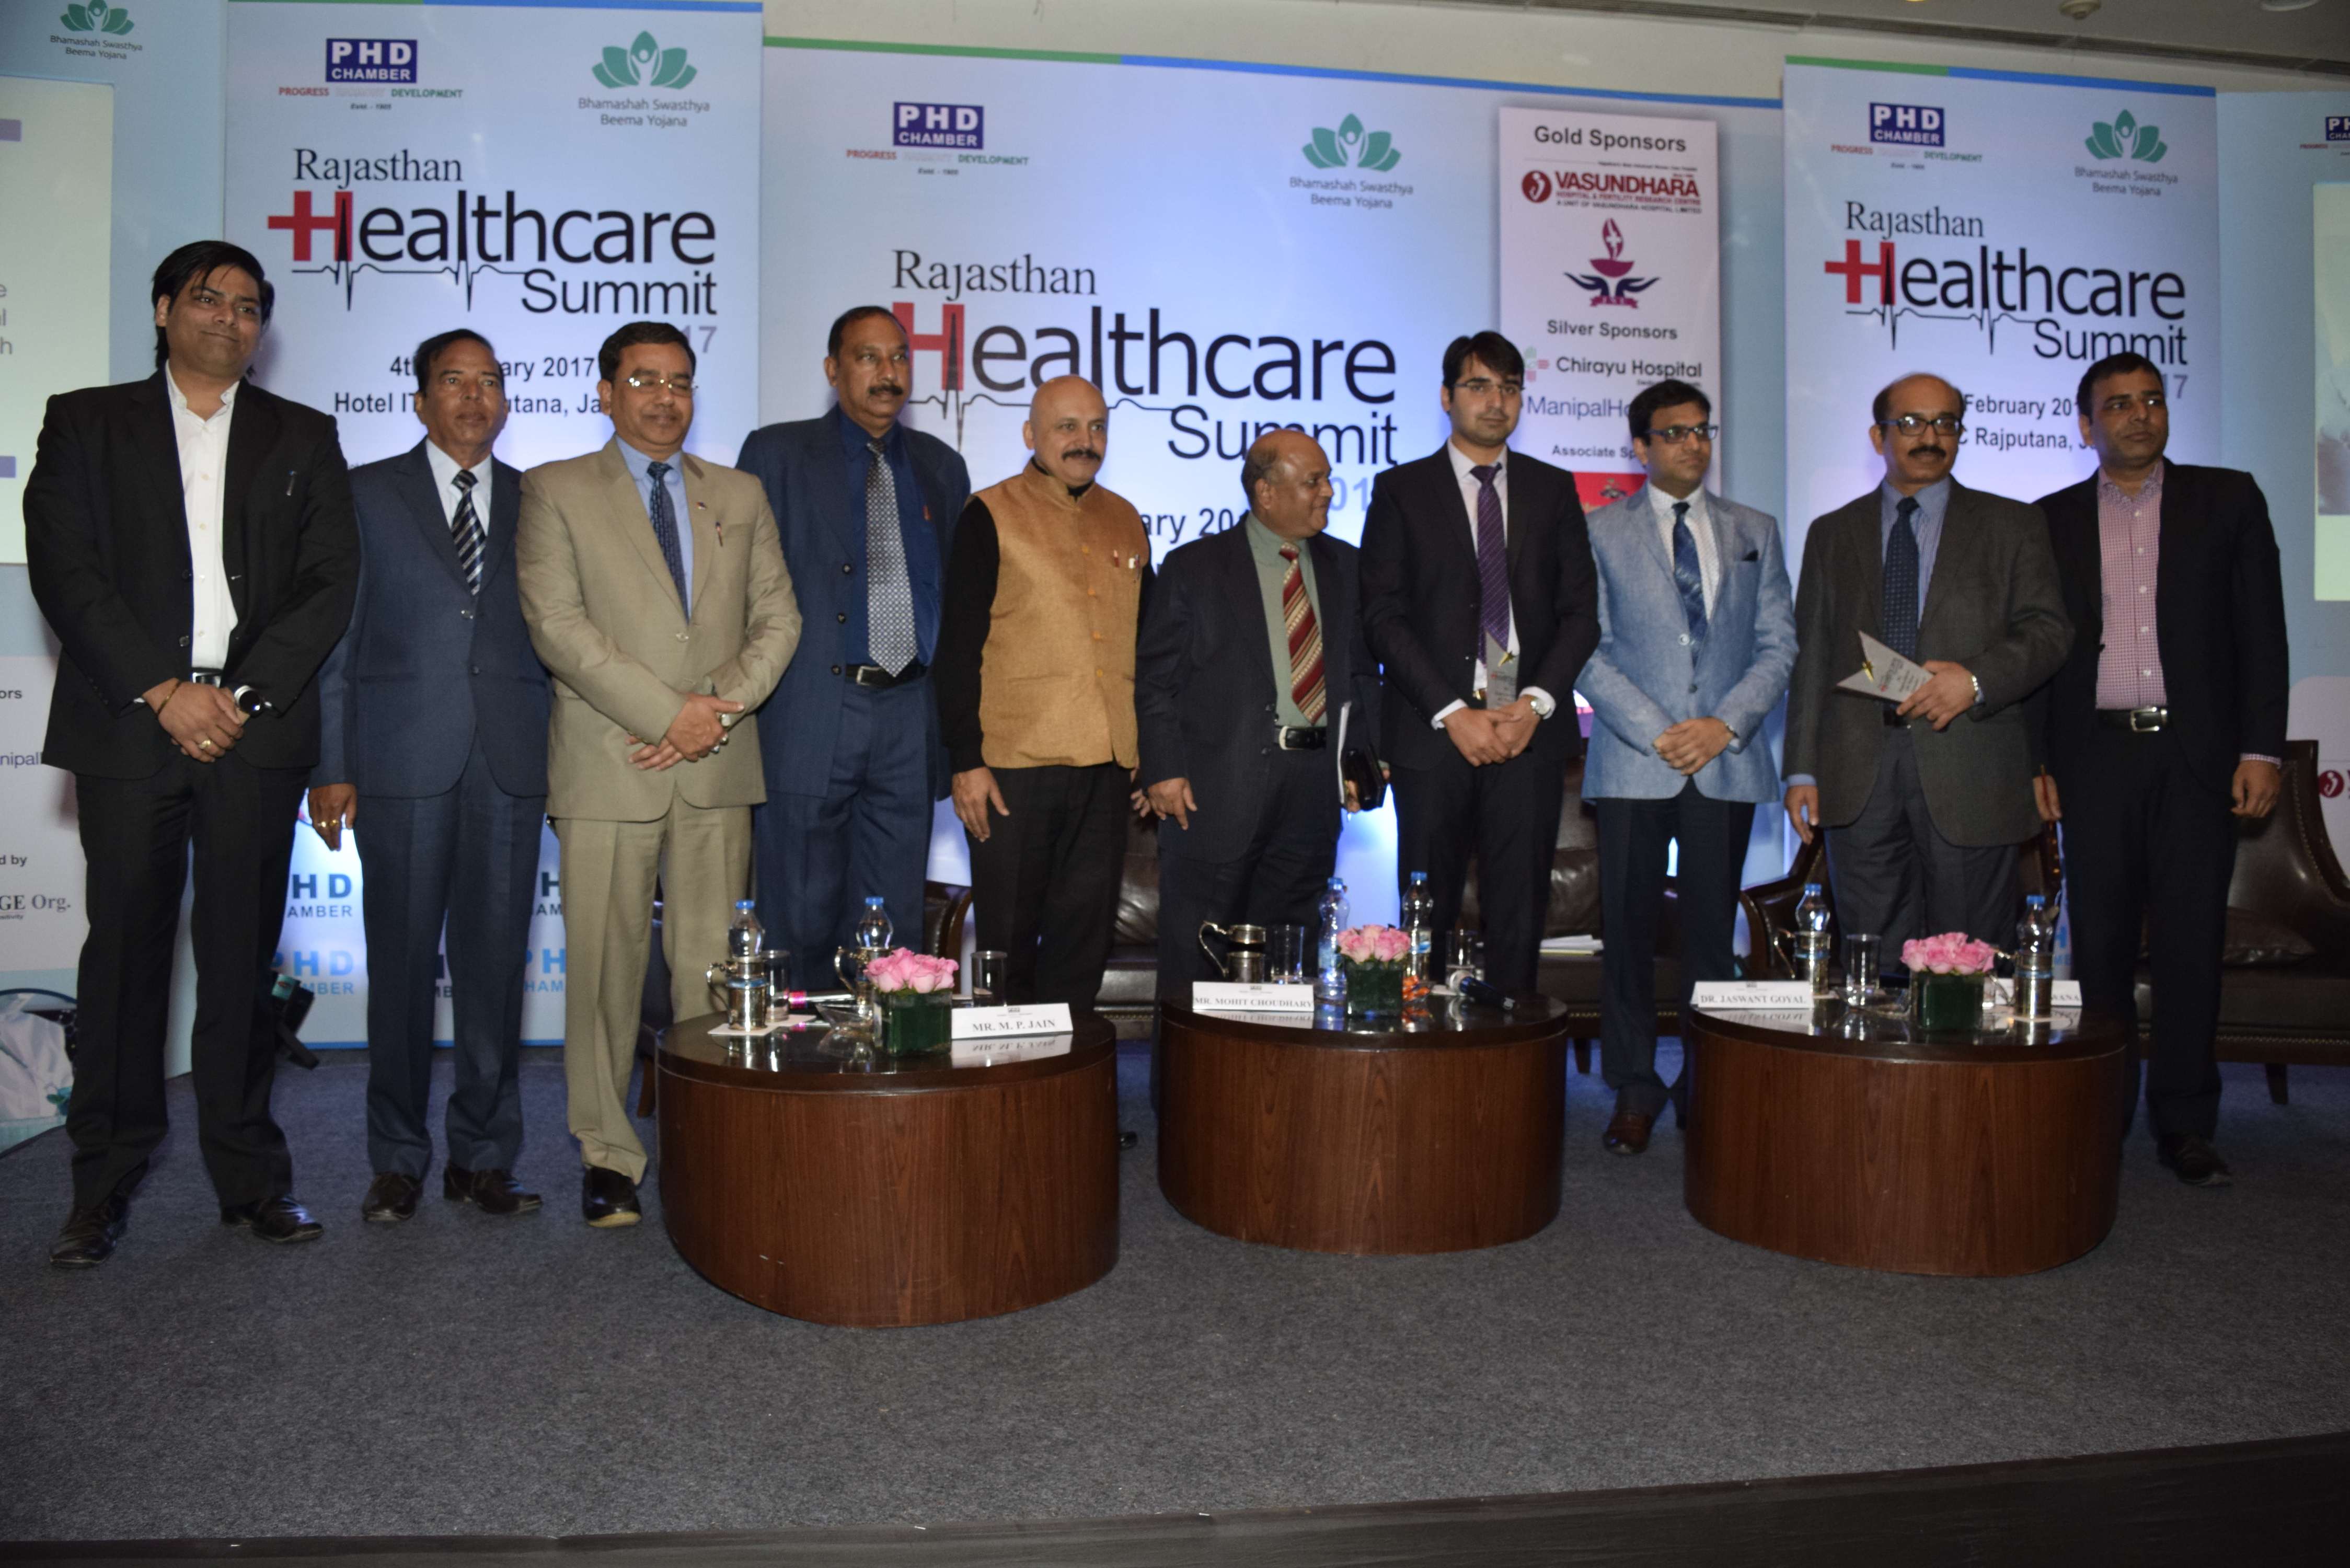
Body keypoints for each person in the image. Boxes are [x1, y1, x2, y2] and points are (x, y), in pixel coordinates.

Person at [27, 240, 359, 1265]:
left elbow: (330, 580)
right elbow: (65, 568)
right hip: (133, 725)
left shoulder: (304, 434)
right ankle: (101, 1186)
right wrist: (164, 691)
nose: (229, 318)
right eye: (209, 299)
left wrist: (240, 696)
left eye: (249, 306)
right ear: (165, 309)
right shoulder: (86, 421)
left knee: (241, 961)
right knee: (124, 959)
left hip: (255, 732)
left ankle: (251, 1180)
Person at [516, 321, 799, 1228]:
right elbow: (557, 627)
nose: (664, 397)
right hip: (610, 762)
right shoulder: (554, 489)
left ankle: (706, 1141)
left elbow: (779, 619)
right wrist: (665, 713)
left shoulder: (740, 493)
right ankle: (609, 1155)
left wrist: (713, 710)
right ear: (605, 393)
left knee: (716, 973)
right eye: (643, 380)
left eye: (679, 381)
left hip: (716, 758)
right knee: (604, 971)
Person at [308, 329, 550, 1225]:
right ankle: (398, 1159)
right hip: (399, 763)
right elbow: (335, 643)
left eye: (489, 381)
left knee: (496, 971)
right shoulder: (365, 493)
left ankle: (483, 1157)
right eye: (454, 380)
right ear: (419, 400)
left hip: (511, 762)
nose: (474, 397)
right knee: (403, 967)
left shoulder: (541, 500)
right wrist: (331, 766)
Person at [2032, 352, 2289, 1187]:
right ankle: (2098, 1121)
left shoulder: (2229, 500)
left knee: (2190, 945)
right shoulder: (2050, 519)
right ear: (2086, 425)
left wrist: (2262, 749)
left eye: (2151, 400)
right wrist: (2038, 759)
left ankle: (2186, 1124)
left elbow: (2263, 633)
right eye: (2118, 405)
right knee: (2100, 948)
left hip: (2197, 759)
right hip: (2095, 757)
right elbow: (2037, 652)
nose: (2139, 415)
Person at [1576, 379, 1795, 1155]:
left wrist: (1723, 726)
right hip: (1634, 761)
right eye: (1673, 433)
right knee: (1629, 936)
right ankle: (1634, 1088)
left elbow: (1779, 644)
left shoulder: (1753, 529)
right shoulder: (1598, 531)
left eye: (1702, 431)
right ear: (1640, 446)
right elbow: (1587, 648)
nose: (1692, 444)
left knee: (1709, 939)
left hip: (1723, 761)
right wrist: (1660, 731)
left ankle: (1709, 1088)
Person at [1782, 373, 2071, 959]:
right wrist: (1800, 771)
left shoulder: (2012, 524)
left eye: (1945, 423)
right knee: (1871, 961)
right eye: (1911, 423)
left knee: (1965, 961)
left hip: (1970, 766)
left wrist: (1974, 680)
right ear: (1878, 436)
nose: (1930, 437)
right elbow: (1812, 654)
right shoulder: (1831, 533)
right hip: (1856, 771)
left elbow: (2049, 632)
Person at [1359, 331, 1599, 995]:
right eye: (1478, 386)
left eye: (1509, 387)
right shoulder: (1401, 490)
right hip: (1433, 731)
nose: (1496, 401)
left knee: (1519, 912)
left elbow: (1581, 614)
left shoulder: (1553, 490)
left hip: (1528, 730)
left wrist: (1535, 704)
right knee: (1424, 911)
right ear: (1446, 397)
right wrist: (1451, 711)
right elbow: (1381, 616)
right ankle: (1421, 1040)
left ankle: (1512, 1045)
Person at [735, 307, 970, 984]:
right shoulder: (776, 455)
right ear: (833, 370)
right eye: (868, 357)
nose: (887, 373)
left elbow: (955, 601)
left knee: (892, 928)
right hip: (811, 711)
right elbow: (739, 590)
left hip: (908, 715)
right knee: (798, 914)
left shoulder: (941, 466)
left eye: (899, 357)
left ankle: (881, 1049)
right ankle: (801, 1046)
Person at [1137, 431, 1381, 1000]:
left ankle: (1275, 1061)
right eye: (1313, 481)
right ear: (1266, 492)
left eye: (1326, 478)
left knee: (1290, 957)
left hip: (1313, 788)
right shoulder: (1195, 566)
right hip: (1215, 788)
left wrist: (1364, 759)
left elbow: (1361, 675)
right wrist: (1163, 769)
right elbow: (1155, 680)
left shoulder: (1346, 565)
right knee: (1196, 952)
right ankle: (1187, 1063)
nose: (1328, 491)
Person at [934, 376, 1150, 1007]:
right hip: (1011, 771)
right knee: (1005, 947)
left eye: (1097, 427)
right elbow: (957, 651)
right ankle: (1004, 1069)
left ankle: (1070, 1068)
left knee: (1083, 946)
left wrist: (1152, 752)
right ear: (1031, 434)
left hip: (1107, 770)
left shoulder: (1126, 519)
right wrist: (965, 763)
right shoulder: (988, 513)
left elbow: (1148, 647)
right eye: (1067, 427)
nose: (1085, 441)